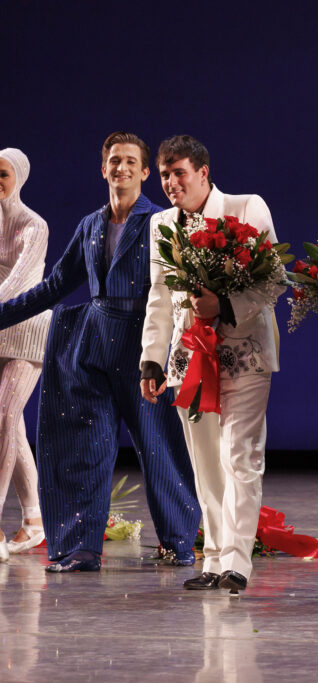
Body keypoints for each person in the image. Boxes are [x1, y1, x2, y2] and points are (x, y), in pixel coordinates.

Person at [0, 134, 201, 572]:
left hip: (142, 346)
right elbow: (55, 286)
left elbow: (176, 293)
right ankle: (81, 548)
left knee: (159, 446)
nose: (121, 168)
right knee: (84, 447)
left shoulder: (161, 221)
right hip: (92, 342)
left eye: (131, 161)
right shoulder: (91, 225)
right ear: (103, 168)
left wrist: (170, 354)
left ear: (145, 172)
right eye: (114, 160)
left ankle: (178, 542)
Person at [140, 134, 284, 592]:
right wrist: (151, 359)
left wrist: (223, 303)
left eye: (178, 172)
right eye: (164, 174)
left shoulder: (246, 208)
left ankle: (238, 561)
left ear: (203, 172)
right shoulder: (161, 222)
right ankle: (215, 558)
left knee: (240, 456)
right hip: (189, 358)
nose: (170, 182)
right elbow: (160, 296)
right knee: (205, 462)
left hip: (243, 352)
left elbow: (276, 281)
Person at [0, 148, 50, 562]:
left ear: (19, 177)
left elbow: (17, 286)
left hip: (26, 328)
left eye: (3, 174)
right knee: (9, 423)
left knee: (2, 414)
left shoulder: (35, 225)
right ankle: (34, 521)